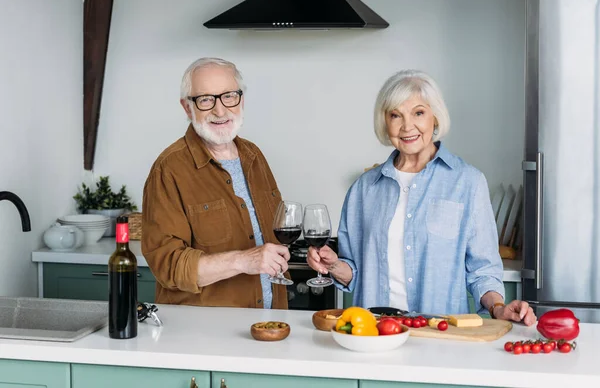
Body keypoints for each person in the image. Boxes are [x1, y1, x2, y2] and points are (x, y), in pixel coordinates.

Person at [307, 70, 536, 325]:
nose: (407, 126)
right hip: (375, 333)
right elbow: (356, 272)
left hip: (441, 336)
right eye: (396, 115)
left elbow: (482, 271)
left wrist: (498, 308)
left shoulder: (467, 183)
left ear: (435, 116)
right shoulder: (364, 190)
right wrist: (333, 265)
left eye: (418, 113)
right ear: (385, 122)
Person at [142, 57, 290, 309]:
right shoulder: (169, 169)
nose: (220, 111)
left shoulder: (254, 157)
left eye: (229, 96)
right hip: (205, 337)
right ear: (187, 108)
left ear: (241, 100)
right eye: (206, 100)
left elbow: (275, 234)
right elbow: (168, 266)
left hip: (268, 328)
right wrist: (243, 261)